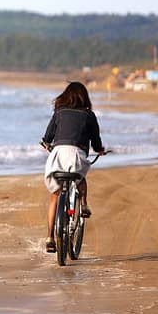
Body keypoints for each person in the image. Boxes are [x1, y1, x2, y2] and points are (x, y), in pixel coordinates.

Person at [40, 81, 106, 253]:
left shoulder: (59, 112)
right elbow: (96, 140)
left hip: (58, 156)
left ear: (65, 96)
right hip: (77, 155)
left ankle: (50, 238)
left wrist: (47, 144)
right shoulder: (89, 115)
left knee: (55, 196)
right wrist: (99, 150)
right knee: (80, 178)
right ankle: (83, 204)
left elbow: (48, 136)